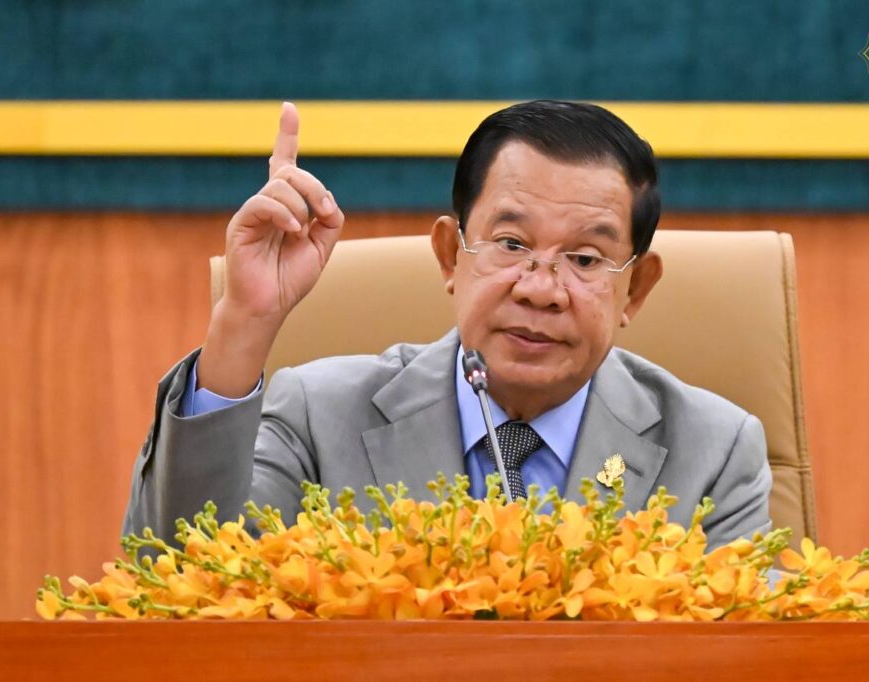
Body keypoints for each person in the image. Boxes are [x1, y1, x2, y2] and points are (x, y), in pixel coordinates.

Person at [122, 100, 772, 549]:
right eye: (511, 244)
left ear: (637, 287)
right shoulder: (318, 417)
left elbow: (749, 654)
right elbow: (180, 575)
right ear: (448, 256)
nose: (541, 289)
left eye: (584, 259)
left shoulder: (713, 452)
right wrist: (245, 322)